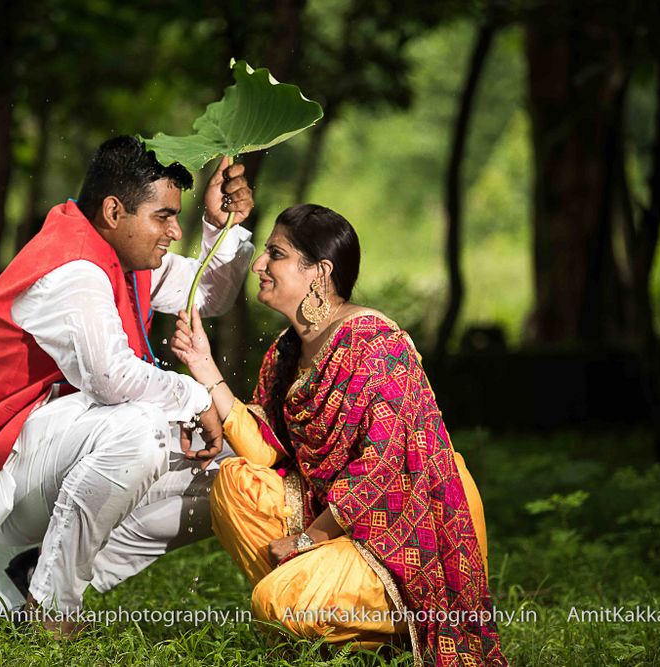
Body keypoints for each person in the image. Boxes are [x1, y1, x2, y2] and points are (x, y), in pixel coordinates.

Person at [0, 136, 255, 635]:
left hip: (55, 447)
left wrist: (224, 227)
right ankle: (52, 608)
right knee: (140, 427)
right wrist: (197, 397)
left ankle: (35, 575)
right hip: (0, 467)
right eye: (163, 217)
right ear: (113, 210)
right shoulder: (75, 268)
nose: (174, 230)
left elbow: (208, 295)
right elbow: (112, 380)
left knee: (234, 471)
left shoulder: (123, 257)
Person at [170, 204, 507, 665]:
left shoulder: (377, 346)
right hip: (335, 517)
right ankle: (314, 631)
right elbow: (265, 451)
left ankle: (372, 628)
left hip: (405, 529)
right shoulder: (287, 352)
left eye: (276, 254)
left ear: (320, 272)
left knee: (275, 602)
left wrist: (308, 540)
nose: (259, 265)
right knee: (234, 485)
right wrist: (203, 365)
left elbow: (383, 470)